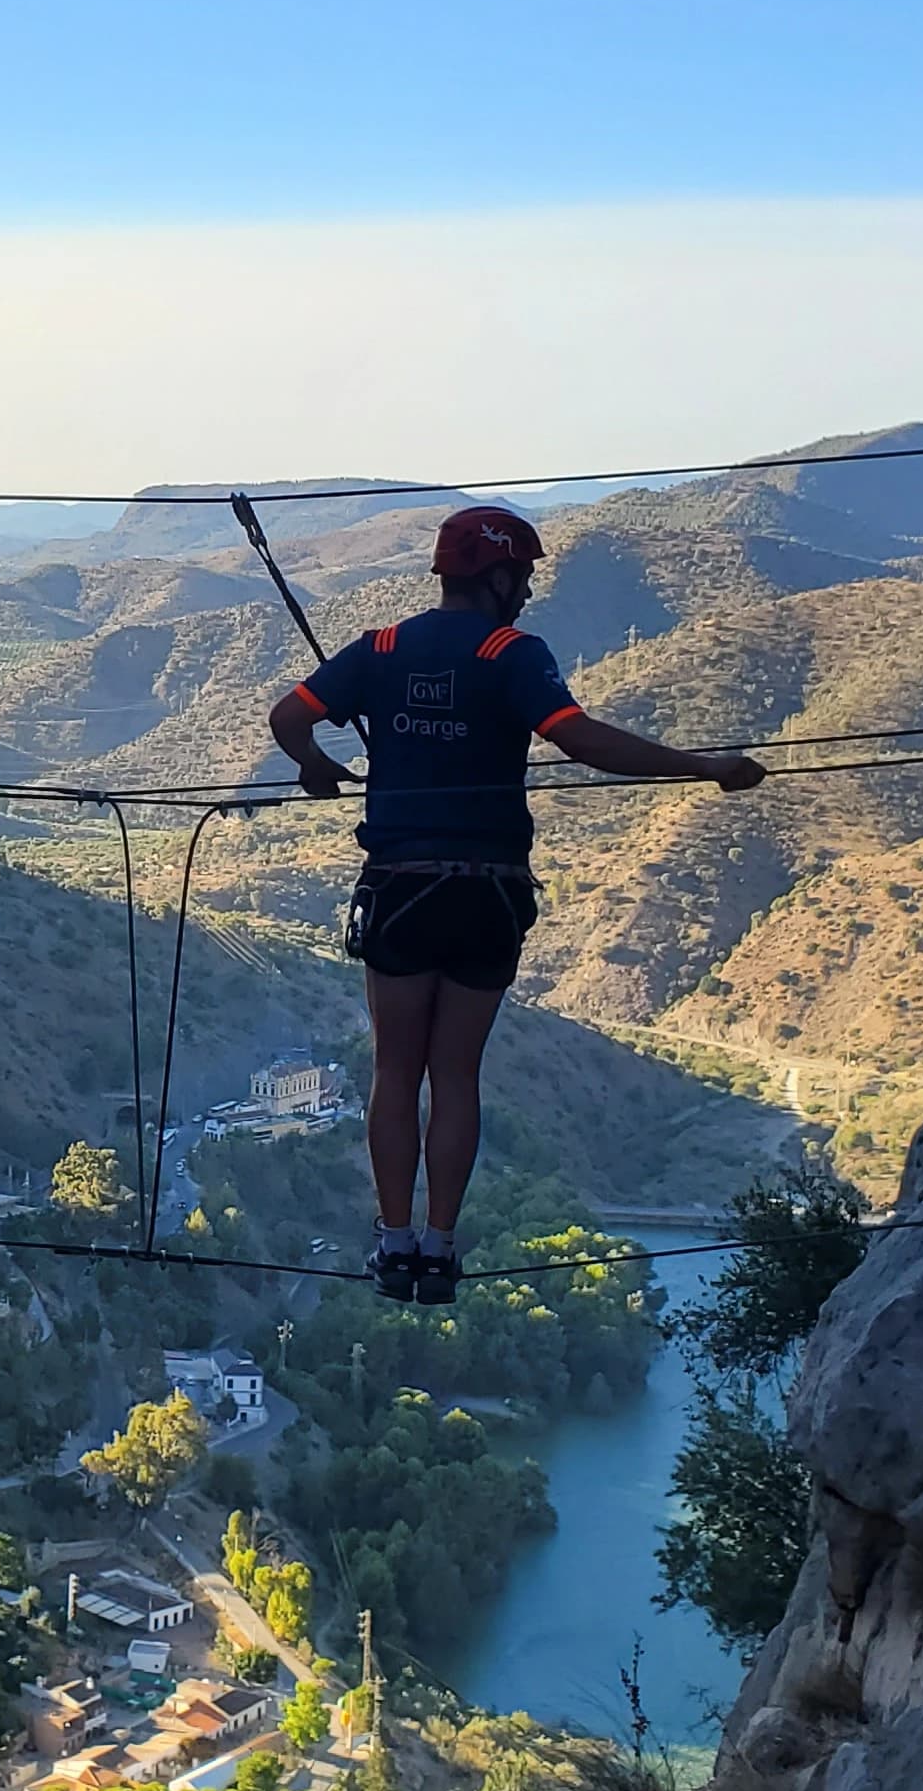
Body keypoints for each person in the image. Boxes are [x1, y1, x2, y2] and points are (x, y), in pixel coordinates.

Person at [268, 505, 765, 1304]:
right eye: (524, 577)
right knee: (455, 1074)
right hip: (487, 894)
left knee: (397, 1072)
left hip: (401, 886)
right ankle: (439, 1248)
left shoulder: (381, 650)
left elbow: (289, 717)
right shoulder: (512, 654)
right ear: (497, 576)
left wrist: (317, 768)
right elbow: (582, 739)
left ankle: (393, 1245)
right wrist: (703, 766)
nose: (528, 593)